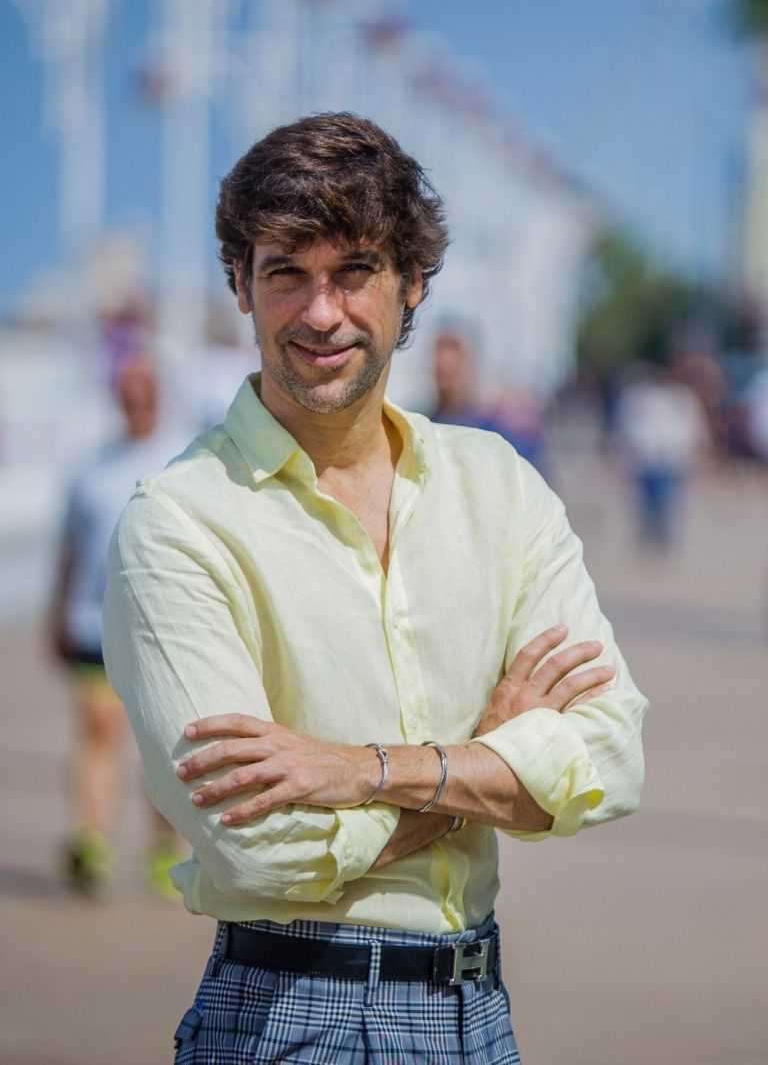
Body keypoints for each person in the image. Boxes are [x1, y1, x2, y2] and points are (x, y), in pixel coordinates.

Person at [104, 114, 647, 1063]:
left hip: (480, 1017)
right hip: (288, 1013)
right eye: (286, 273)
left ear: (413, 286)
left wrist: (360, 770)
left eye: (354, 270)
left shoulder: (499, 488)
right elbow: (256, 850)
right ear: (240, 286)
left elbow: (611, 755)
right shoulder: (179, 524)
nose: (322, 313)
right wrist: (485, 759)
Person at [48, 354, 189, 898]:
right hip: (92, 621)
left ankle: (162, 851)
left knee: (163, 742)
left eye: (143, 389)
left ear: (157, 393)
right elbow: (67, 547)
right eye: (125, 390)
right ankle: (91, 842)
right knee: (98, 729)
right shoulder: (91, 467)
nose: (134, 400)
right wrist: (55, 610)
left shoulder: (185, 456)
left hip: (165, 624)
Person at [615, 360, 708, 550]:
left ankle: (664, 537)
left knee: (670, 500)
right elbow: (630, 427)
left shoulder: (682, 398)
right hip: (648, 457)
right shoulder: (640, 397)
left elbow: (693, 428)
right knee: (647, 500)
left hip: (673, 457)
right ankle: (651, 535)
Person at [429, 325, 546, 473]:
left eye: (452, 372)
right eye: (442, 373)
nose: (447, 382)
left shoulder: (496, 435)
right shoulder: (423, 427)